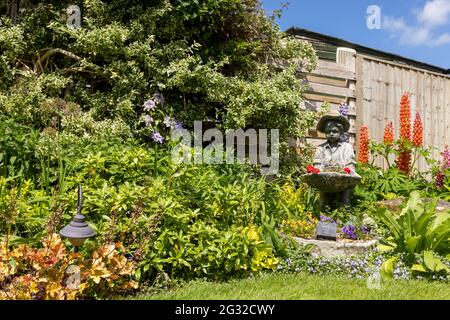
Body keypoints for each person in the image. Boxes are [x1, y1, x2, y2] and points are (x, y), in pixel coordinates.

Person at [313, 111, 356, 209]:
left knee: (344, 203)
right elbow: (317, 163)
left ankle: (344, 222)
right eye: (328, 132)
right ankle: (324, 220)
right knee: (324, 203)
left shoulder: (347, 147)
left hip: (343, 181)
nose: (331, 134)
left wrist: (348, 172)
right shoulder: (321, 148)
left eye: (335, 131)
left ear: (341, 132)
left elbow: (350, 162)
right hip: (325, 181)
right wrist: (317, 171)